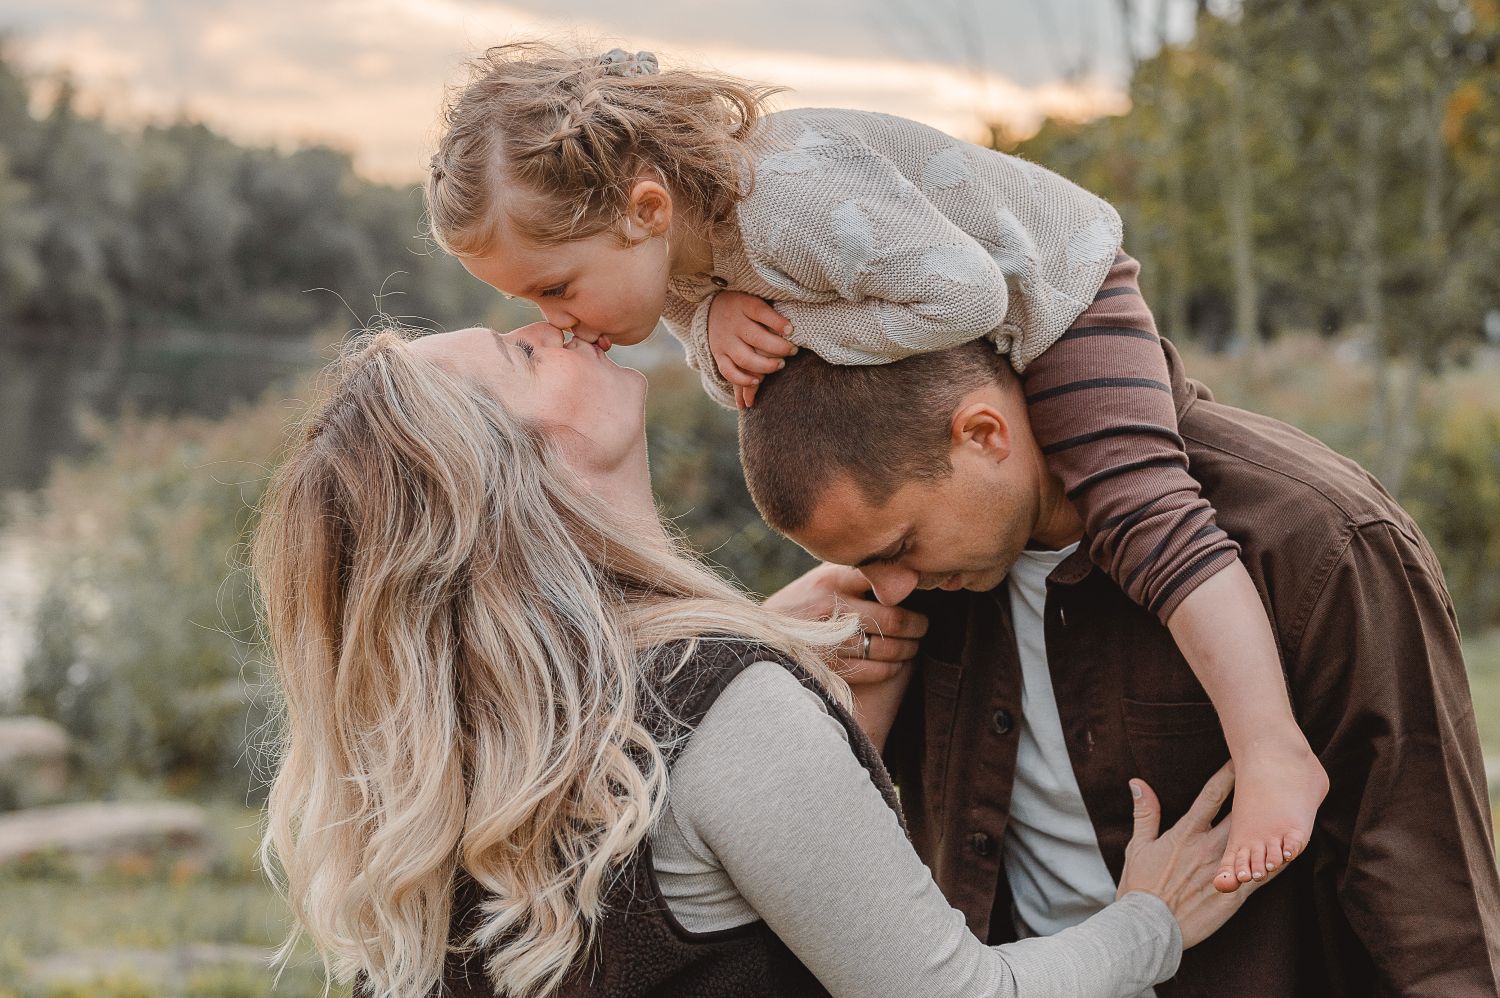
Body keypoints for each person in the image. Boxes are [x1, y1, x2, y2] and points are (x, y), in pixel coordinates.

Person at [423, 41, 1325, 893]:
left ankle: (1273, 748)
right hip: (978, 336)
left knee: (1140, 510)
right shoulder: (675, 263)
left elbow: (965, 293)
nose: (558, 320)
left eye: (554, 287)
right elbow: (756, 363)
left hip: (1055, 290)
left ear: (646, 210)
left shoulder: (787, 201)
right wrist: (709, 328)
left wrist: (779, 326)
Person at [251, 323, 1254, 998]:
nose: (556, 322)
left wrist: (782, 669)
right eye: (521, 350)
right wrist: (1150, 920)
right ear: (523, 467)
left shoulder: (447, 752)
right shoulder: (725, 717)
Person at [736, 337, 1500, 994]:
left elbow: (1438, 926)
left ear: (983, 434)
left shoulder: (1316, 542)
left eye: (898, 547)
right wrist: (770, 650)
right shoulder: (915, 589)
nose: (890, 585)